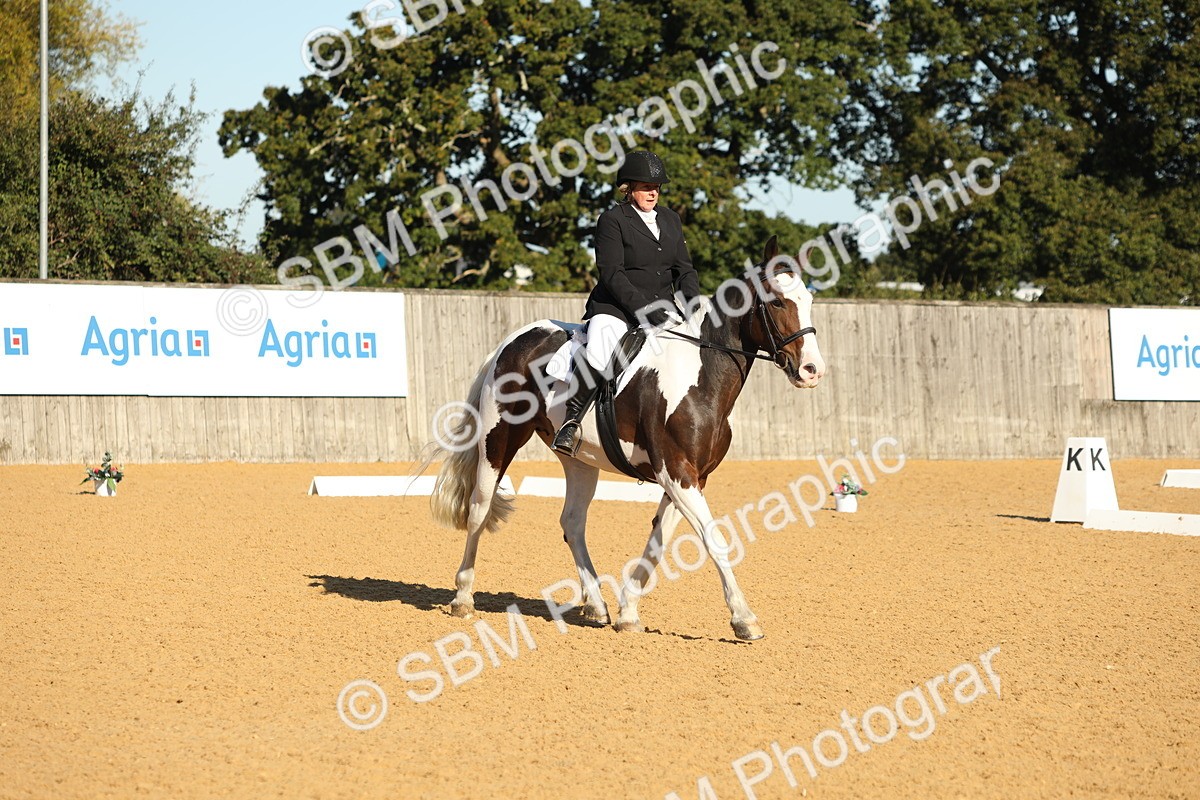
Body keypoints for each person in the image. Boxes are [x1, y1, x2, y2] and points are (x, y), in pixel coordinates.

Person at [551, 151, 701, 456]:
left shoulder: (670, 219)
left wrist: (692, 305)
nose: (652, 192)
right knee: (600, 349)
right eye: (645, 186)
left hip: (663, 308)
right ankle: (571, 421)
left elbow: (684, 269)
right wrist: (645, 310)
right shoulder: (613, 220)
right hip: (616, 308)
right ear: (628, 188)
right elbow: (612, 274)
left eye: (656, 187)